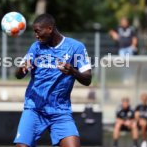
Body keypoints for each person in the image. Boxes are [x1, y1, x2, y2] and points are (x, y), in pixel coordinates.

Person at [14, 14, 92, 147]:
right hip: (35, 108)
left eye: (38, 31)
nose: (36, 35)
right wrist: (21, 69)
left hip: (60, 111)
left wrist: (73, 71)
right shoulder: (36, 47)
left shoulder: (76, 47)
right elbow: (18, 74)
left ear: (50, 29)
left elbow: (87, 79)